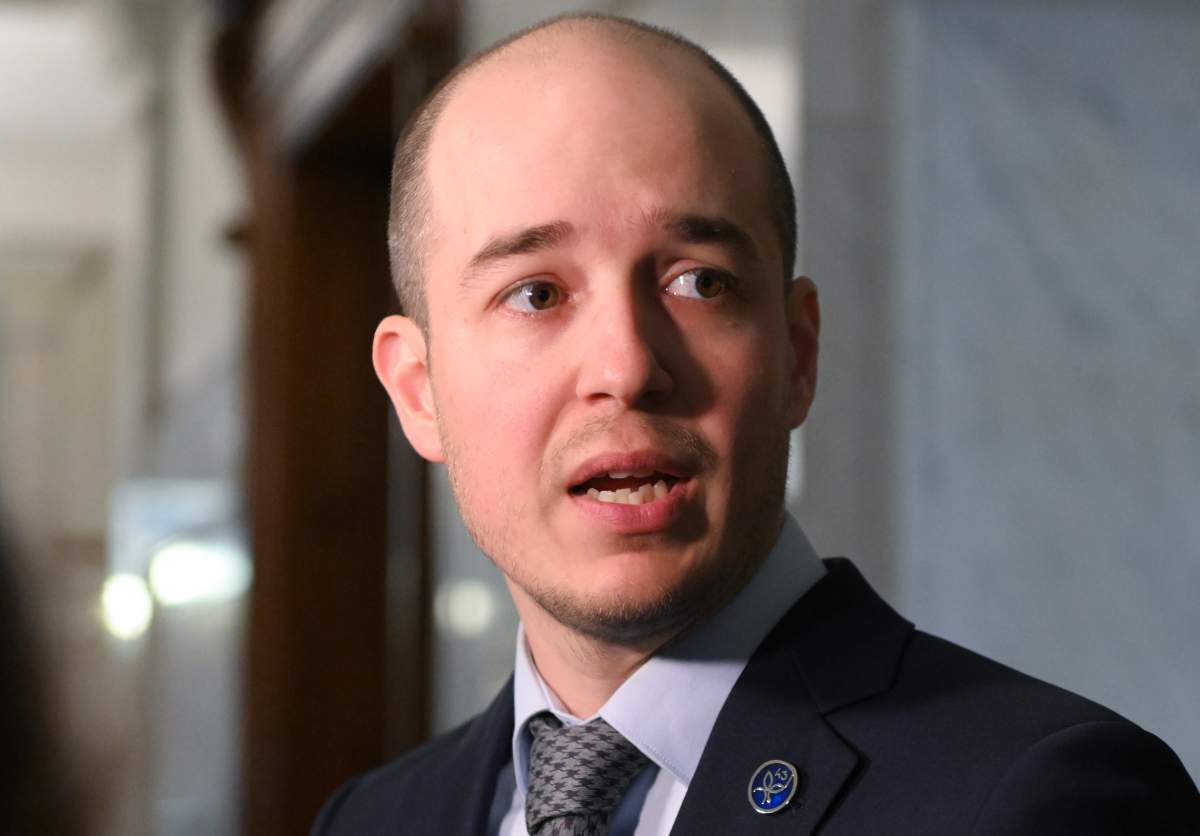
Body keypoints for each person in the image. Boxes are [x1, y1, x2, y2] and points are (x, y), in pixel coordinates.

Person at [312, 12, 1199, 835]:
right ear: (419, 391)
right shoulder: (372, 821)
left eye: (698, 282)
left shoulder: (1044, 799)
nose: (626, 368)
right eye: (536, 294)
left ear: (798, 354)